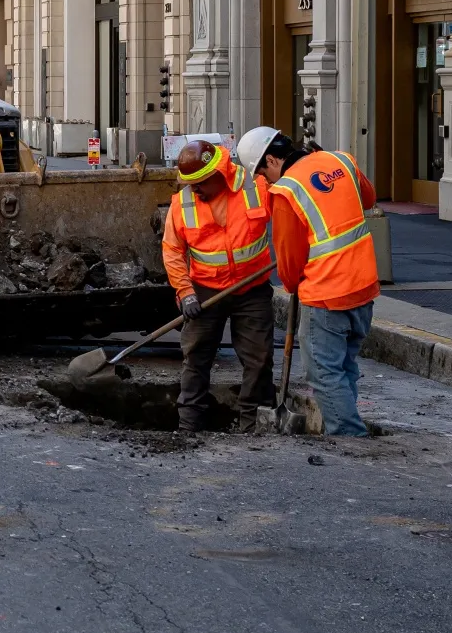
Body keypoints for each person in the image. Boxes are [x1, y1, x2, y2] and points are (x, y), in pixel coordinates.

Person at [237, 125, 380, 437]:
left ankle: (349, 437)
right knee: (344, 367)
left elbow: (289, 262)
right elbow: (368, 199)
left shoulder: (286, 191)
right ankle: (342, 425)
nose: (264, 180)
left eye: (262, 173)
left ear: (271, 161)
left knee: (325, 374)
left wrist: (292, 286)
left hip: (326, 294)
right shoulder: (341, 160)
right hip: (364, 286)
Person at [162, 139, 277, 431]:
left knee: (259, 359)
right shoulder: (183, 203)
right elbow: (173, 252)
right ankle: (189, 425)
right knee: (196, 358)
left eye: (199, 182)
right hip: (204, 290)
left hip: (252, 289)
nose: (193, 188)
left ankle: (252, 425)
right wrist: (185, 293)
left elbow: (291, 214)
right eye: (189, 183)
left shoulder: (257, 189)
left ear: (219, 174)